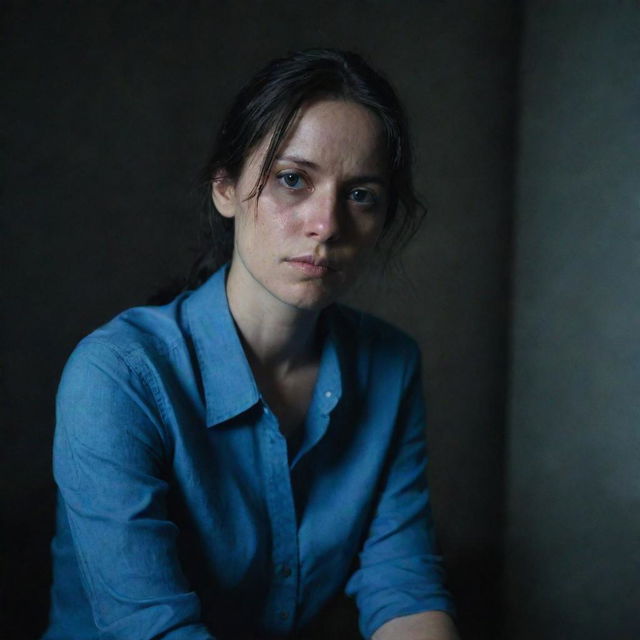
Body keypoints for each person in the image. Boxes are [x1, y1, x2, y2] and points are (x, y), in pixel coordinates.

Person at [43, 49, 458, 640]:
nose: (328, 224)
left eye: (361, 194)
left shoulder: (390, 365)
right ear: (225, 187)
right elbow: (153, 628)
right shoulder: (117, 374)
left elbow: (403, 583)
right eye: (293, 180)